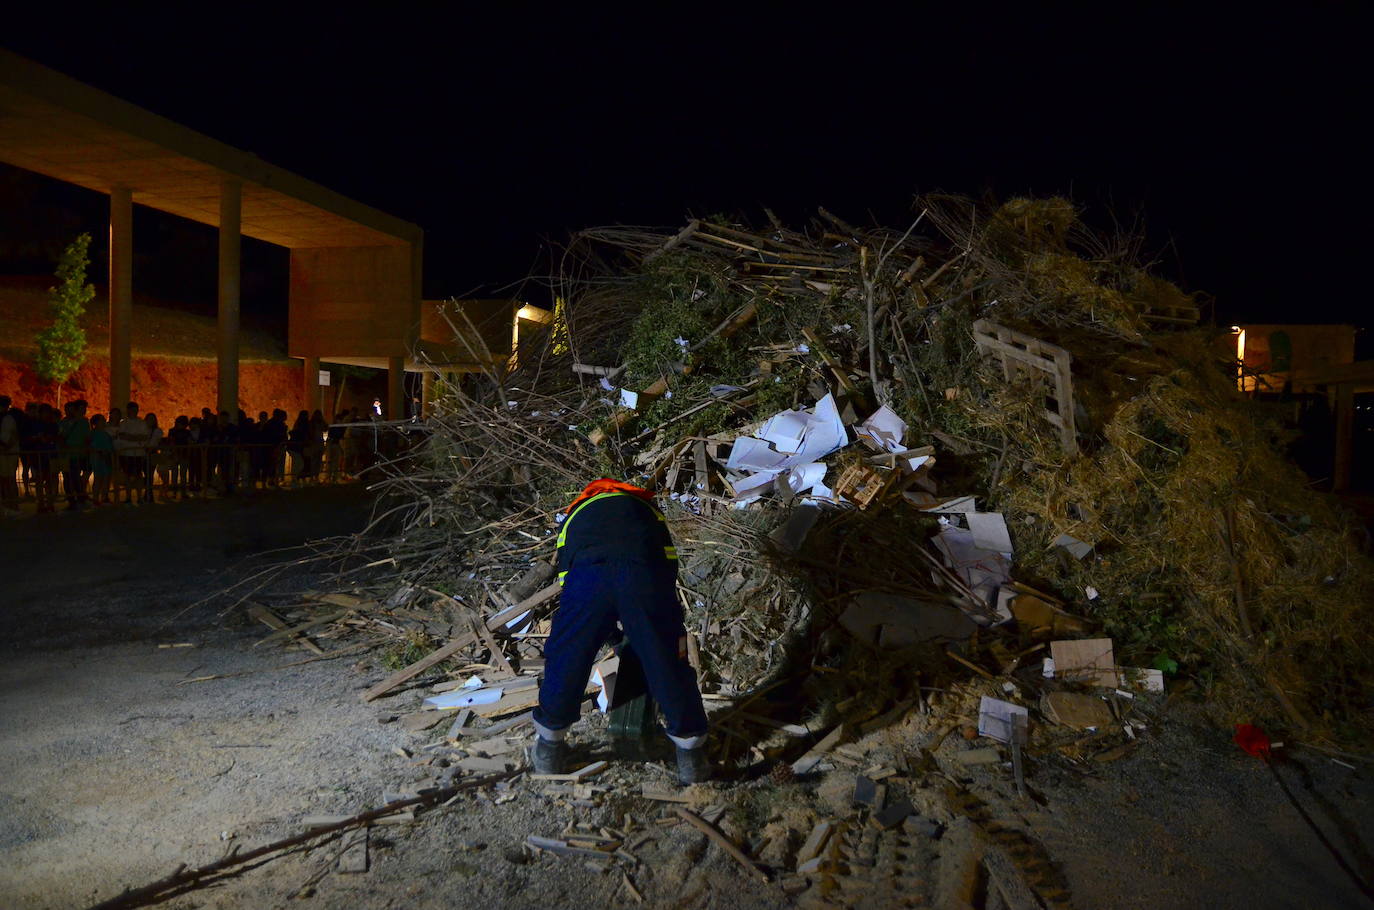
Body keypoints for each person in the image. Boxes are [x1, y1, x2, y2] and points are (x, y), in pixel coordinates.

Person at [532, 478, 711, 785]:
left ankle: (549, 748)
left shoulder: (576, 514)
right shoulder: (648, 511)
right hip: (644, 575)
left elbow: (566, 572)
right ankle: (691, 757)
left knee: (567, 658)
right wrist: (653, 621)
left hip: (588, 578)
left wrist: (600, 625)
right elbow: (668, 563)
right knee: (667, 661)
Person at [114, 401, 150, 504]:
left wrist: (130, 437)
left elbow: (144, 437)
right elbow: (122, 436)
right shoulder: (123, 423)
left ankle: (139, 497)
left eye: (135, 410)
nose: (133, 412)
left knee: (138, 475)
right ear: (128, 410)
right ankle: (128, 497)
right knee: (127, 475)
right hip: (126, 453)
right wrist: (136, 438)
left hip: (138, 453)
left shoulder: (142, 423)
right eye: (131, 410)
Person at [0, 395, 20, 515]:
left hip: (7, 453)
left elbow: (10, 437)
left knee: (8, 479)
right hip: (6, 453)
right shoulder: (7, 418)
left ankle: (12, 505)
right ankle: (9, 505)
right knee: (6, 480)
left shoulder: (8, 419)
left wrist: (4, 447)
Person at [88, 413, 114, 506]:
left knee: (106, 478)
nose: (104, 421)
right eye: (102, 420)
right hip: (98, 458)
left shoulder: (105, 433)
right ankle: (96, 498)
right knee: (98, 478)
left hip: (106, 457)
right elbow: (92, 446)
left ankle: (104, 496)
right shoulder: (93, 434)